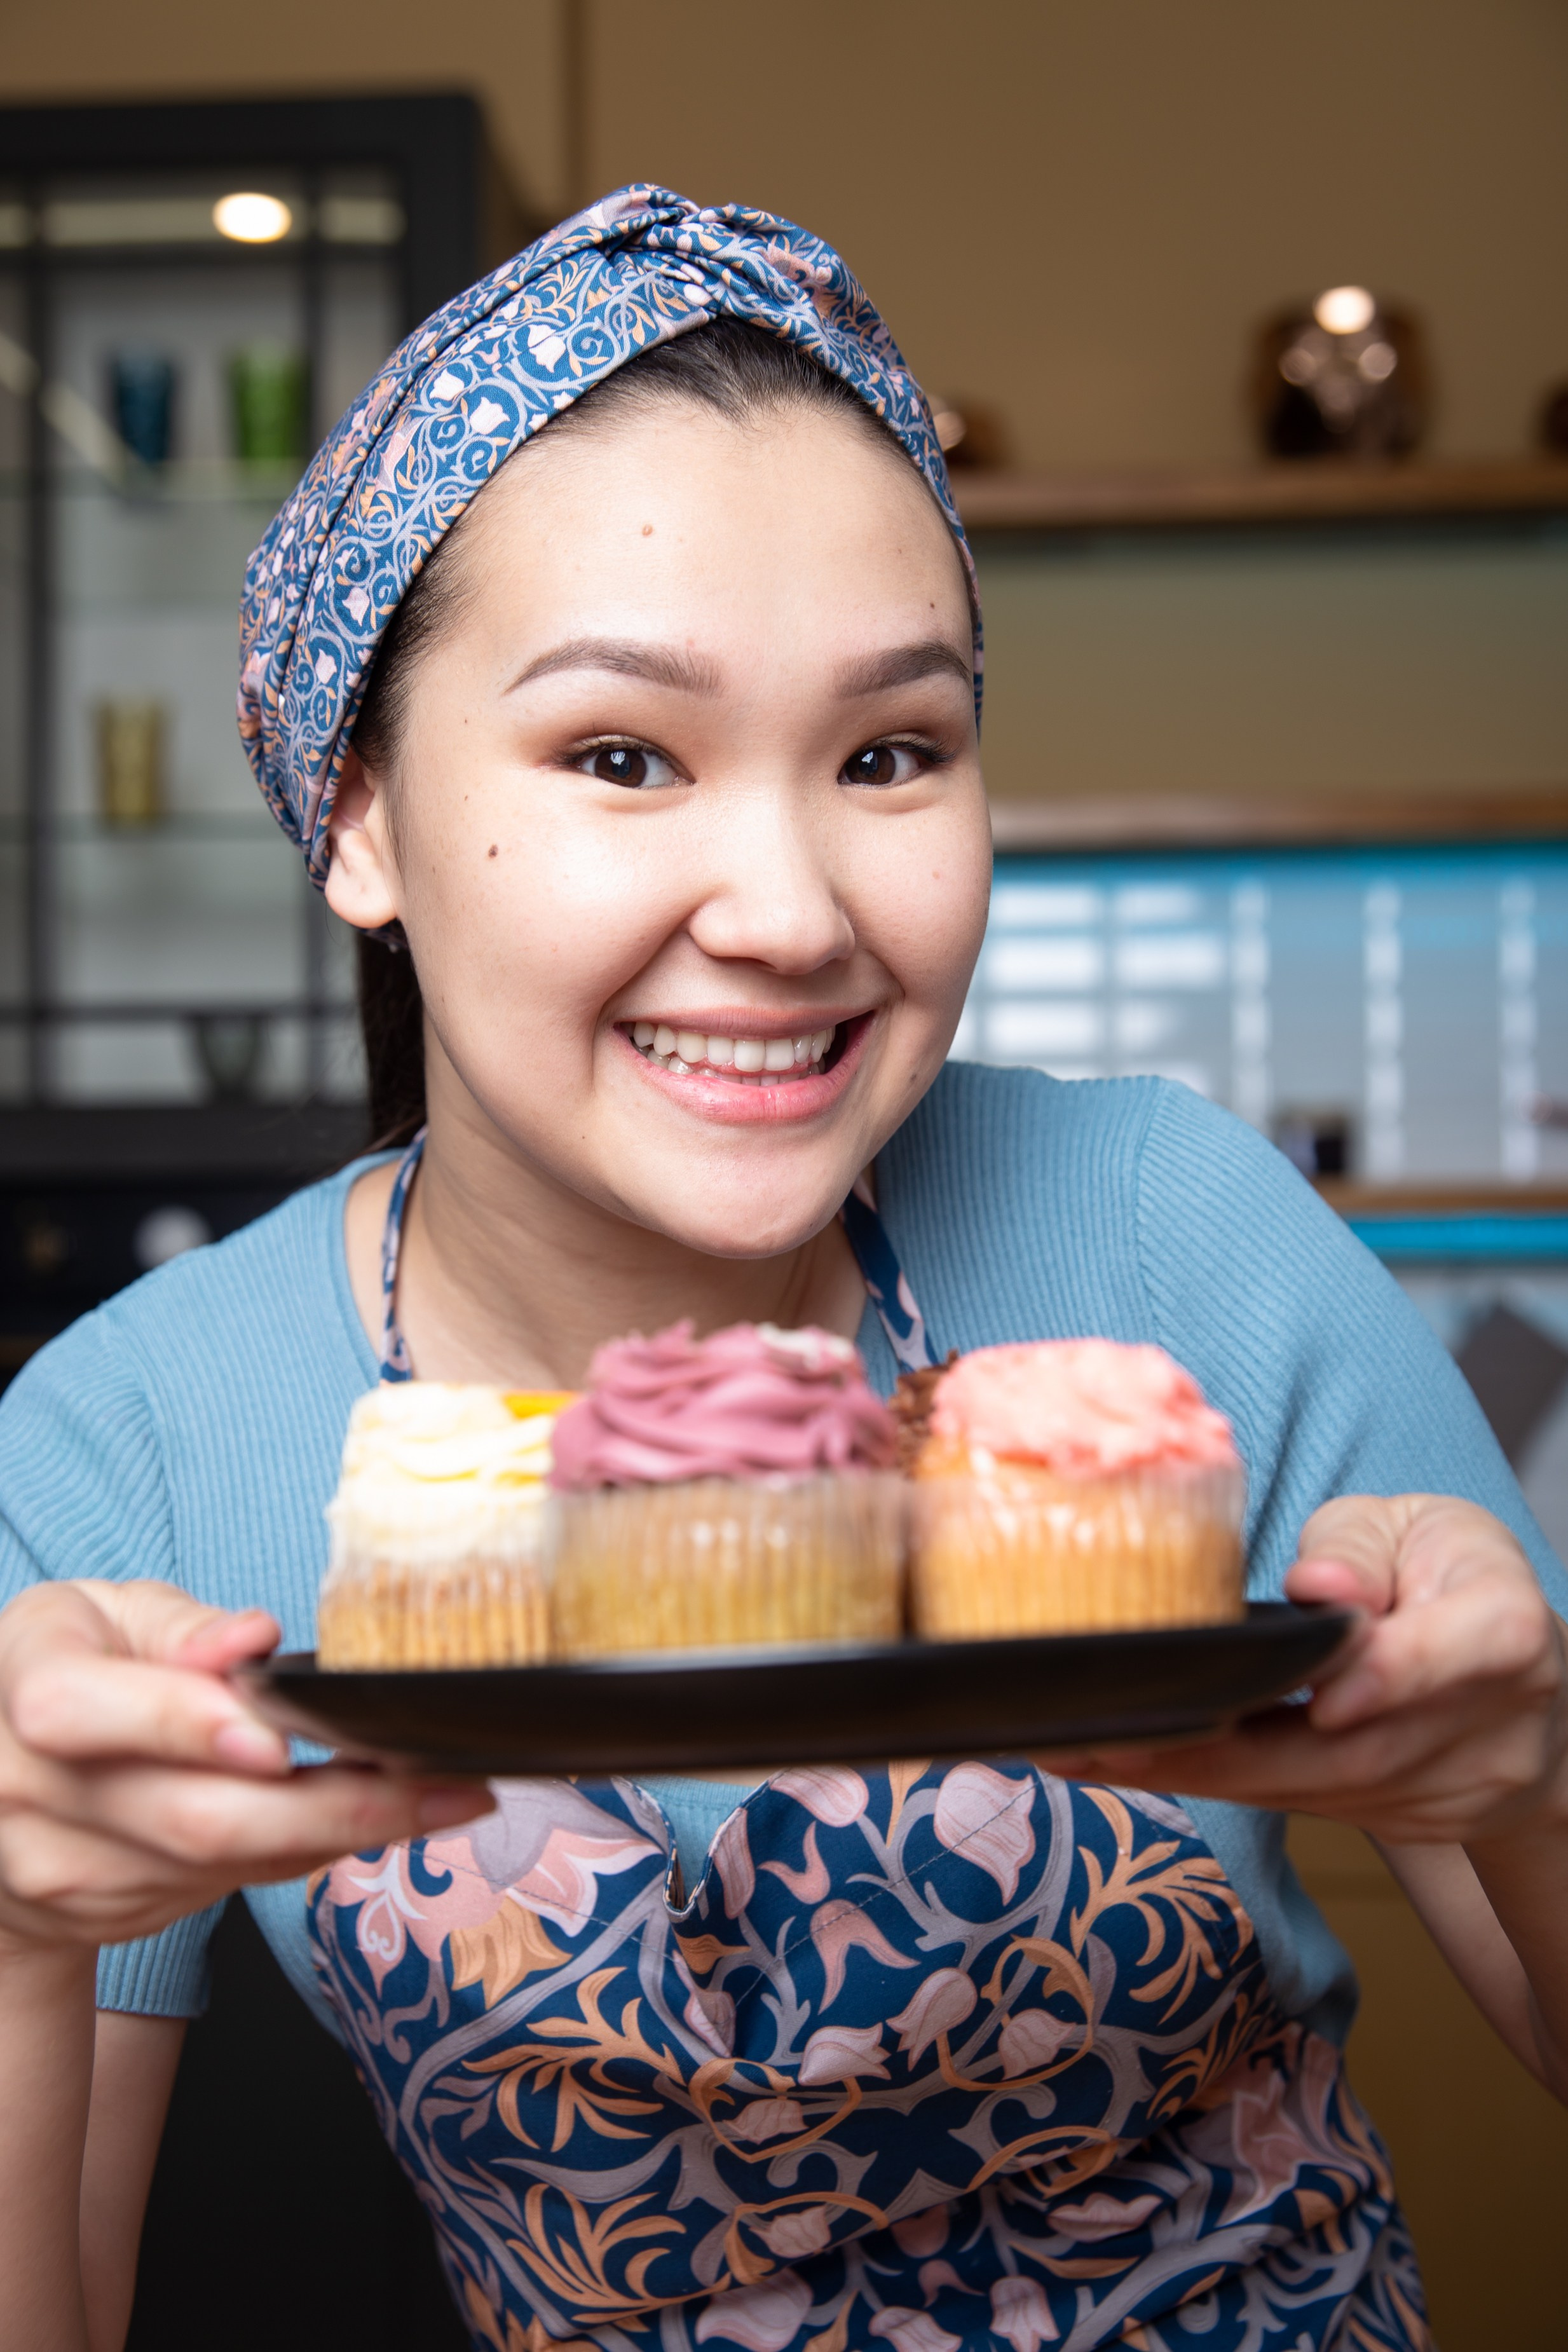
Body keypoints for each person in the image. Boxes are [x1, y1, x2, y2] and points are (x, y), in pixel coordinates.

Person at [0, 188, 1564, 2352]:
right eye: (622, 755)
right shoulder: (131, 1446)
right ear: (352, 806)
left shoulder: (1165, 1234)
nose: (793, 906)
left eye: (890, 751)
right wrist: (6, 1932)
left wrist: (1531, 1770)